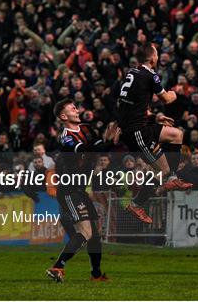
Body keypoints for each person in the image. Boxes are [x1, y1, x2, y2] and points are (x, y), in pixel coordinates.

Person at [45, 98, 119, 283]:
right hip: (69, 190)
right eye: (72, 108)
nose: (76, 109)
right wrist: (106, 142)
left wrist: (110, 142)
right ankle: (57, 267)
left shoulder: (86, 129)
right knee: (86, 232)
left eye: (75, 107)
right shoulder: (66, 138)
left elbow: (99, 148)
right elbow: (89, 148)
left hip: (80, 189)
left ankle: (96, 275)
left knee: (95, 235)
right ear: (63, 116)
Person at [117, 44, 192, 224]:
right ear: (152, 58)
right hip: (137, 132)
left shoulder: (132, 73)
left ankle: (173, 178)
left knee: (176, 135)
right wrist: (175, 93)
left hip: (141, 125)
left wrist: (155, 116)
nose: (158, 57)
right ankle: (136, 203)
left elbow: (132, 105)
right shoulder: (150, 74)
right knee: (161, 170)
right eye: (157, 54)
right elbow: (167, 98)